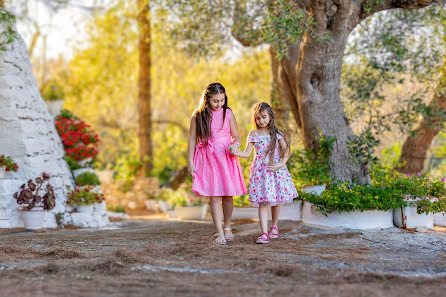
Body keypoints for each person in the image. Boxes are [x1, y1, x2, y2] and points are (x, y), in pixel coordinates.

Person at [187, 82, 247, 245]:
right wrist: (190, 161)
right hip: (208, 159)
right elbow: (192, 139)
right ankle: (219, 231)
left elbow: (237, 136)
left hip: (226, 157)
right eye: (215, 101)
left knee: (228, 195)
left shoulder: (228, 114)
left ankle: (227, 227)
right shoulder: (198, 116)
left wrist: (235, 144)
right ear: (207, 100)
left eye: (222, 100)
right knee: (215, 196)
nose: (219, 104)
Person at [230, 102, 298, 244]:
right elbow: (247, 153)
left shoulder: (276, 133)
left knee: (275, 199)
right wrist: (236, 152)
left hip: (275, 170)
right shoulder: (253, 134)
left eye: (264, 117)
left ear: (270, 116)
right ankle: (264, 233)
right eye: (258, 118)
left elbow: (286, 151)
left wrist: (280, 164)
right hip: (260, 172)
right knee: (262, 202)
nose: (261, 121)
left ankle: (274, 226)